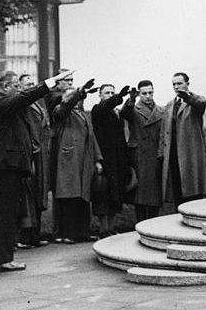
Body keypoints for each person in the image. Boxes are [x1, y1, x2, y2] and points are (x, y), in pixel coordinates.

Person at [0, 69, 63, 272]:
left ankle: (3, 257)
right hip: (4, 167)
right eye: (16, 87)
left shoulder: (5, 104)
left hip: (9, 166)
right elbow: (25, 98)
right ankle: (3, 259)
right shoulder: (0, 102)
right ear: (6, 87)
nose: (19, 90)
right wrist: (49, 83)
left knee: (7, 213)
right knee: (4, 214)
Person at [51, 77, 103, 244]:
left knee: (83, 196)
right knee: (69, 196)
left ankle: (83, 232)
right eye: (74, 97)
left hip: (83, 160)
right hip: (69, 160)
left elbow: (92, 137)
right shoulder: (61, 111)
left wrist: (97, 159)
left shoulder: (83, 114)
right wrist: (78, 92)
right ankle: (68, 233)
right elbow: (64, 107)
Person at [159, 72, 206, 207]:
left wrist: (187, 97)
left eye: (179, 83)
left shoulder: (196, 100)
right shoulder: (170, 105)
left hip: (190, 153)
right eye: (174, 84)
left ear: (187, 83)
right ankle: (179, 218)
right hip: (173, 153)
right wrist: (161, 153)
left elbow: (200, 104)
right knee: (177, 188)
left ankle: (194, 219)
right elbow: (164, 131)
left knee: (193, 189)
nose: (176, 86)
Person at [90, 83, 132, 237]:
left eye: (112, 92)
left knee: (116, 193)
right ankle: (103, 229)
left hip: (118, 159)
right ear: (100, 95)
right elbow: (106, 106)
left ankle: (112, 227)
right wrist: (119, 97)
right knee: (103, 193)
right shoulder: (97, 109)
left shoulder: (116, 112)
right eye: (106, 92)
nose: (109, 95)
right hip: (105, 158)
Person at [119, 79, 164, 222]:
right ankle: (140, 224)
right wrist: (131, 99)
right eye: (144, 93)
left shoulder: (161, 110)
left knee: (154, 192)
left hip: (156, 154)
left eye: (150, 92)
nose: (148, 96)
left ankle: (153, 224)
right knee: (141, 192)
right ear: (139, 94)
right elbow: (125, 113)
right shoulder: (133, 108)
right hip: (139, 155)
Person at [17, 72, 53, 248]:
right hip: (31, 153)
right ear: (20, 87)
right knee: (28, 194)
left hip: (41, 154)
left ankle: (35, 234)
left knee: (39, 193)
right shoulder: (23, 105)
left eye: (32, 83)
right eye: (27, 84)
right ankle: (25, 236)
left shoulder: (39, 103)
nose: (31, 86)